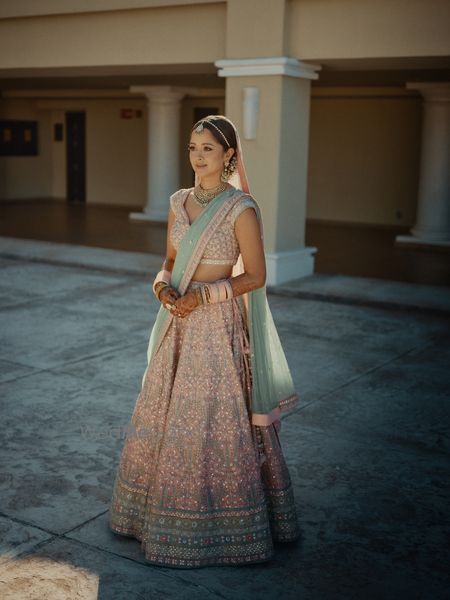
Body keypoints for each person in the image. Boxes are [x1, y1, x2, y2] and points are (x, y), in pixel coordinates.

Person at [108, 115, 300, 568]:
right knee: (165, 413)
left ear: (229, 154)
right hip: (177, 322)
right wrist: (161, 288)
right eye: (193, 147)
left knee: (212, 421)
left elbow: (255, 275)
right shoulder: (178, 202)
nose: (198, 156)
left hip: (215, 329)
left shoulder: (241, 208)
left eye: (208, 148)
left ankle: (224, 527)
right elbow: (169, 260)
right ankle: (152, 514)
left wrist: (203, 296)